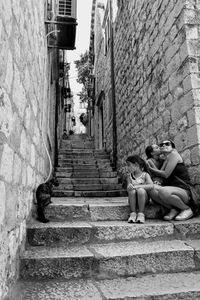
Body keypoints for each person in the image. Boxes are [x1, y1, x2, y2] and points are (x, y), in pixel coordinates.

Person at [148, 140, 194, 221]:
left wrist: (151, 169)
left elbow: (166, 174)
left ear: (172, 147)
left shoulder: (174, 155)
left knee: (163, 190)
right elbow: (160, 175)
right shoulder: (166, 159)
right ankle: (174, 209)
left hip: (183, 191)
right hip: (172, 190)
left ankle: (186, 209)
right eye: (161, 144)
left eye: (167, 144)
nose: (163, 145)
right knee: (151, 188)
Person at [126, 155, 154, 224]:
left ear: (135, 165)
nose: (127, 167)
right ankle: (133, 213)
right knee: (131, 191)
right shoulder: (129, 176)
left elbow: (151, 185)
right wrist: (129, 187)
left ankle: (141, 213)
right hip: (133, 199)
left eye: (129, 165)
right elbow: (128, 187)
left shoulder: (145, 175)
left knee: (140, 190)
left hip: (144, 198)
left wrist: (137, 187)